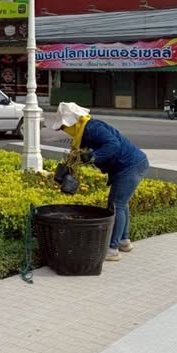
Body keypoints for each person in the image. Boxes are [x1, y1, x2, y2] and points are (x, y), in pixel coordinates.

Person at [51, 102, 149, 261]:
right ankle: (124, 241)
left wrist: (92, 157)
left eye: (63, 127)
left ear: (72, 122)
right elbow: (78, 155)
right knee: (120, 204)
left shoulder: (92, 128)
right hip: (127, 166)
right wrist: (69, 166)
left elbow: (113, 145)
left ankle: (112, 249)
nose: (64, 131)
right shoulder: (83, 132)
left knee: (117, 204)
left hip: (130, 166)